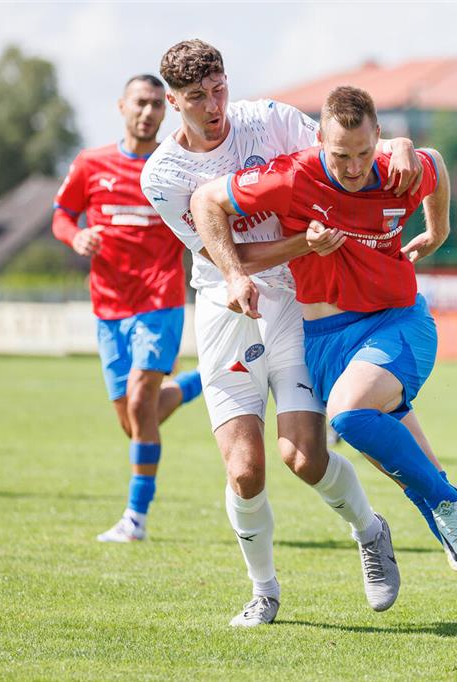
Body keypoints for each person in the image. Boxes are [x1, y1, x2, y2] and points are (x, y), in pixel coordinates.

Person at [190, 86, 457, 644]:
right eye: (341, 156)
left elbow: (433, 164)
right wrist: (236, 275)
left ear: (378, 139)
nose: (355, 167)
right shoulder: (292, 177)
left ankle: (449, 503)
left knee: (349, 414)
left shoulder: (395, 168)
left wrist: (439, 229)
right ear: (320, 141)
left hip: (397, 325)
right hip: (324, 342)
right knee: (424, 483)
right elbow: (205, 204)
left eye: (365, 153)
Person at [141, 40, 428, 626]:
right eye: (197, 97)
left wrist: (397, 141)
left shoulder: (266, 120)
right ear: (174, 102)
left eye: (219, 87)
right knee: (245, 470)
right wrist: (286, 250)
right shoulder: (164, 175)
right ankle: (263, 590)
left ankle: (370, 532)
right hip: (227, 306)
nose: (214, 104)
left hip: (299, 305)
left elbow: (342, 145)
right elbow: (229, 248)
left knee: (303, 457)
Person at [52, 74, 203, 542]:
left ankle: (134, 519)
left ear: (168, 110)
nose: (149, 111)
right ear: (122, 106)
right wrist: (75, 235)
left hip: (160, 300)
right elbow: (61, 214)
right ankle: (210, 377)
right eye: (141, 102)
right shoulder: (90, 163)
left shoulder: (176, 166)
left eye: (158, 104)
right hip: (109, 306)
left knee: (141, 401)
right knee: (136, 418)